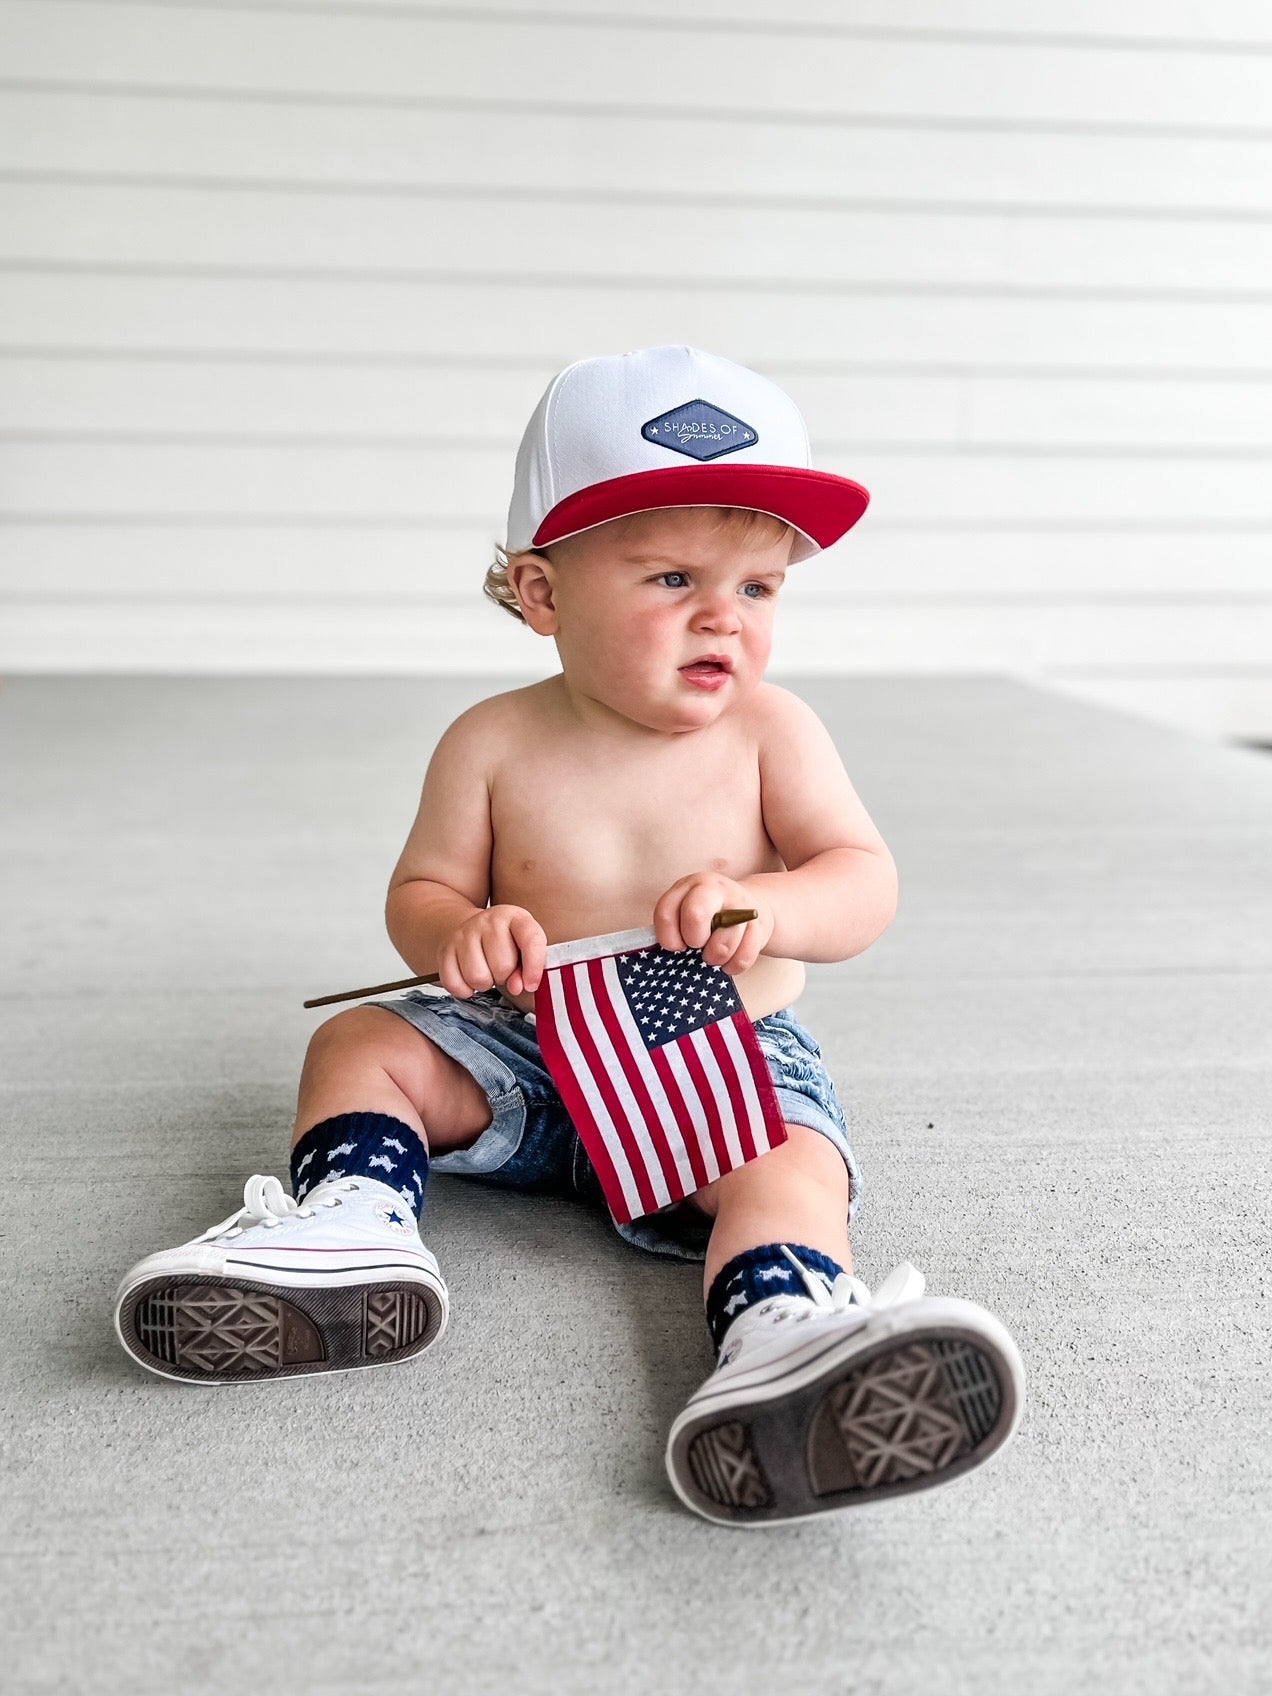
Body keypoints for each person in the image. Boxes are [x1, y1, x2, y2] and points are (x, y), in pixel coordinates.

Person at [113, 345, 1025, 1526]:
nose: (722, 617)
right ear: (541, 592)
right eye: (671, 579)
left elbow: (864, 881)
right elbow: (422, 889)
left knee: (791, 1164)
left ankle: (783, 1326)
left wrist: (771, 907)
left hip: (710, 1048)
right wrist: (467, 930)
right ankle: (352, 1222)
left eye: (758, 588)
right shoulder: (491, 739)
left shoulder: (773, 732)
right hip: (524, 1044)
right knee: (358, 1044)